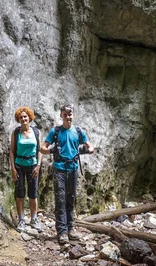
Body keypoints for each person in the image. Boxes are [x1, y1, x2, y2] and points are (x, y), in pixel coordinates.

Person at [41, 104, 94, 245]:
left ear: (73, 115)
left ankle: (70, 228)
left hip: (73, 169)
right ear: (61, 116)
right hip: (59, 169)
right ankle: (62, 232)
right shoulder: (56, 132)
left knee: (70, 199)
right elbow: (42, 148)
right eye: (65, 114)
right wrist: (53, 151)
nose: (68, 117)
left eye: (70, 114)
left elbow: (91, 148)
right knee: (60, 200)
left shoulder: (78, 131)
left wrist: (82, 150)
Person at [9, 106, 43, 232]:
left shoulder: (36, 132)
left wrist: (38, 165)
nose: (23, 119)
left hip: (33, 165)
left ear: (30, 118)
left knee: (33, 193)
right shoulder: (16, 133)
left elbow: (40, 150)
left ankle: (34, 218)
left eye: (25, 117)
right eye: (21, 117)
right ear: (18, 119)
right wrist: (13, 168)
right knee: (20, 193)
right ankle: (21, 219)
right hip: (19, 165)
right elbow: (11, 152)